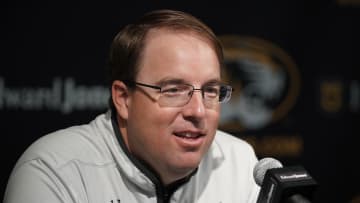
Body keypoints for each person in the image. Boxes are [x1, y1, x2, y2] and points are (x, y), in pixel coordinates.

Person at [4, 9, 260, 203]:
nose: (198, 111)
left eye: (210, 91)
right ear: (123, 99)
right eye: (173, 90)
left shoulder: (240, 164)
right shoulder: (54, 171)